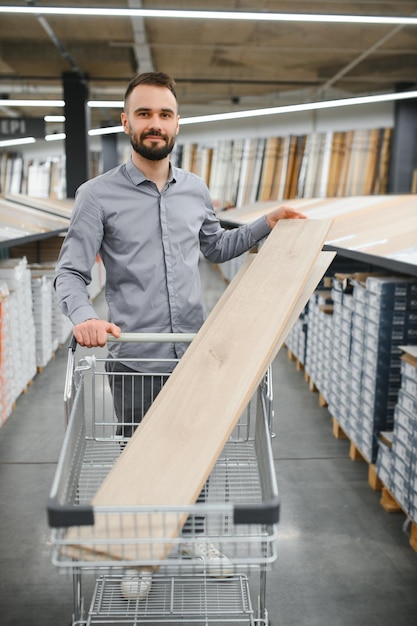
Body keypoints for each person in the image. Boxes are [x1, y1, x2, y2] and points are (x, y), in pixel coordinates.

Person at [54, 71, 307, 600]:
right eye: (143, 113)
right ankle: (141, 553)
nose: (155, 124)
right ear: (125, 121)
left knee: (198, 452)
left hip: (195, 355)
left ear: (176, 123)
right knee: (139, 455)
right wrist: (84, 316)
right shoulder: (96, 196)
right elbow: (71, 273)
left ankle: (191, 537)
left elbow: (215, 247)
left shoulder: (195, 190)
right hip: (133, 358)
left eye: (164, 114)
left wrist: (268, 223)